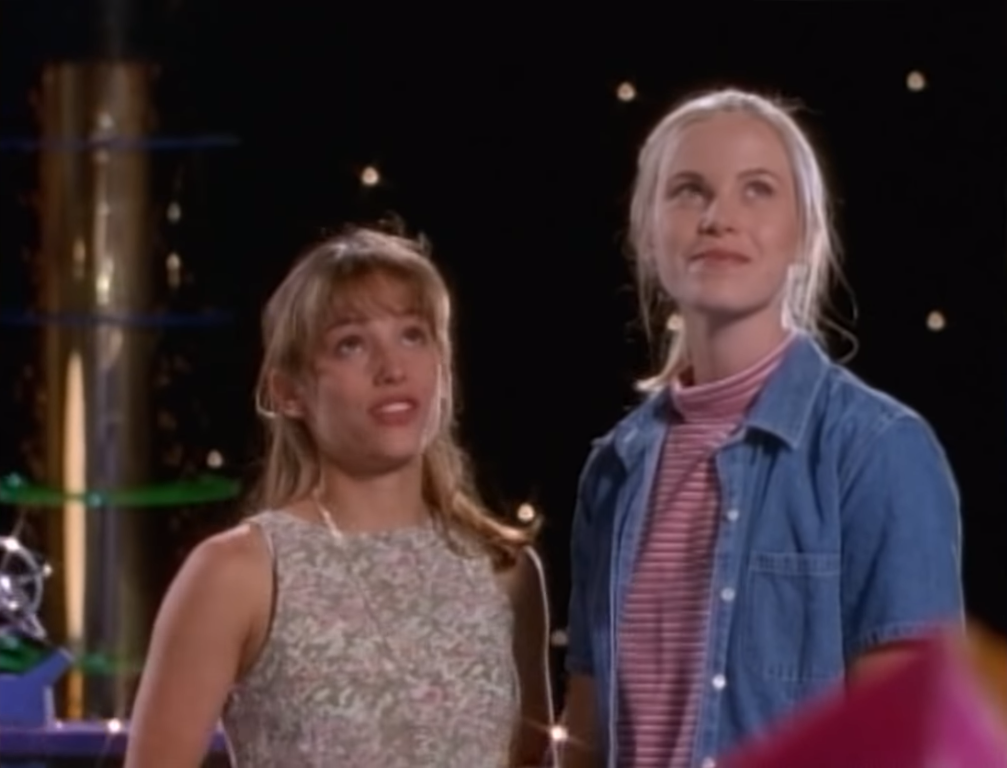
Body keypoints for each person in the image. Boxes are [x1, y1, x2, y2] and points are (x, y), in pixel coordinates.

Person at [560, 88, 964, 768]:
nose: (719, 218)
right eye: (688, 190)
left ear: (804, 234)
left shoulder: (875, 450)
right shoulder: (614, 469)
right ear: (647, 234)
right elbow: (585, 733)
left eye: (757, 190)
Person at [125, 226, 556, 768]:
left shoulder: (506, 572)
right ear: (289, 392)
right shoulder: (235, 574)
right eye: (351, 344)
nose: (392, 368)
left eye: (413, 335)